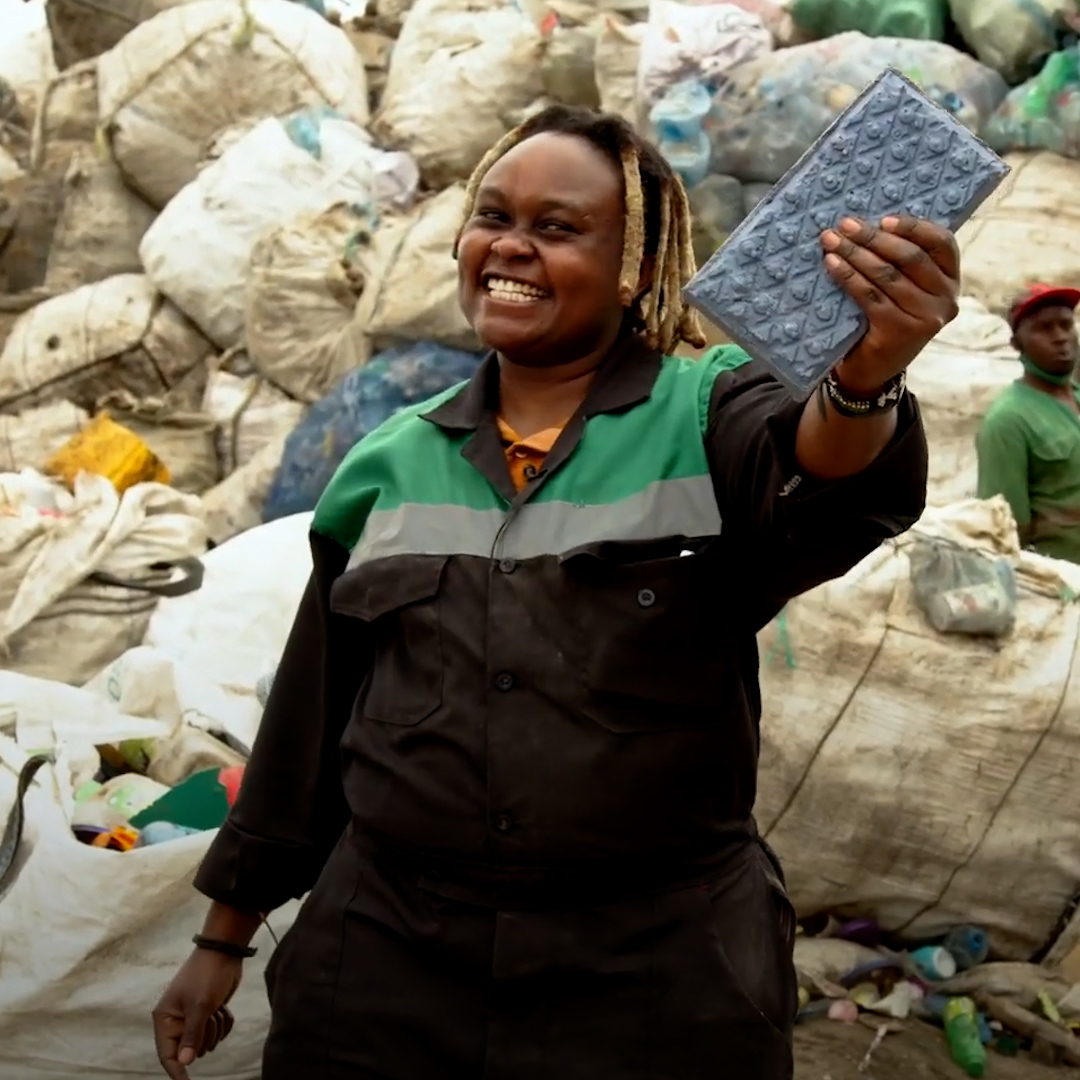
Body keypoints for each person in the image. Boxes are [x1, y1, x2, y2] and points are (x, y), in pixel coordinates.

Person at [152, 105, 957, 1080]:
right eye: (493, 215)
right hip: (389, 965)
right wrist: (222, 941)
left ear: (633, 266)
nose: (510, 246)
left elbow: (820, 469)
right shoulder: (389, 462)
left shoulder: (709, 409)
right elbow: (309, 726)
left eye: (558, 227)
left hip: (654, 973)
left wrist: (866, 374)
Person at [977, 283, 1080, 562]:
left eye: (1065, 325)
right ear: (1016, 345)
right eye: (1044, 328)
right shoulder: (1008, 421)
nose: (1060, 337)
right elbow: (1005, 531)